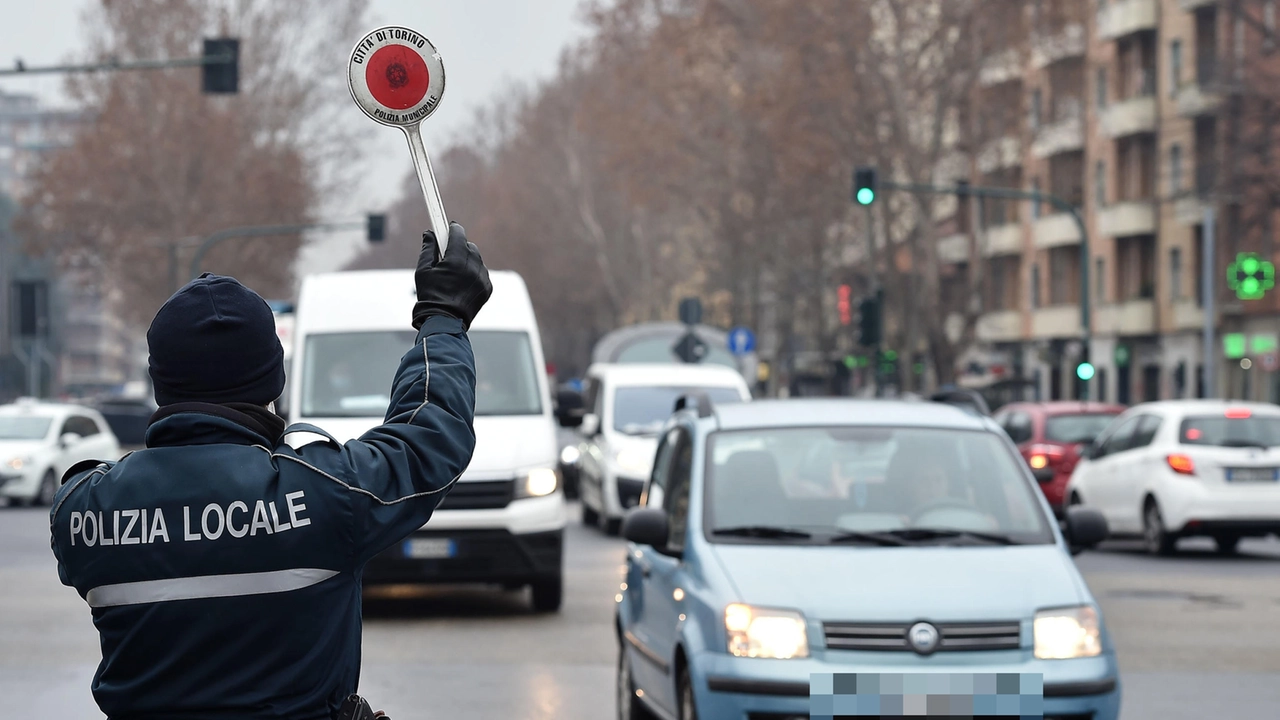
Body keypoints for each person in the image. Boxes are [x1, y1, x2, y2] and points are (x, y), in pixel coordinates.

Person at [49, 224, 492, 720]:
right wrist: (443, 318)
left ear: (161, 382)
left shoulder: (82, 511)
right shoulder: (327, 493)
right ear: (273, 380)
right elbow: (426, 438)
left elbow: (79, 489)